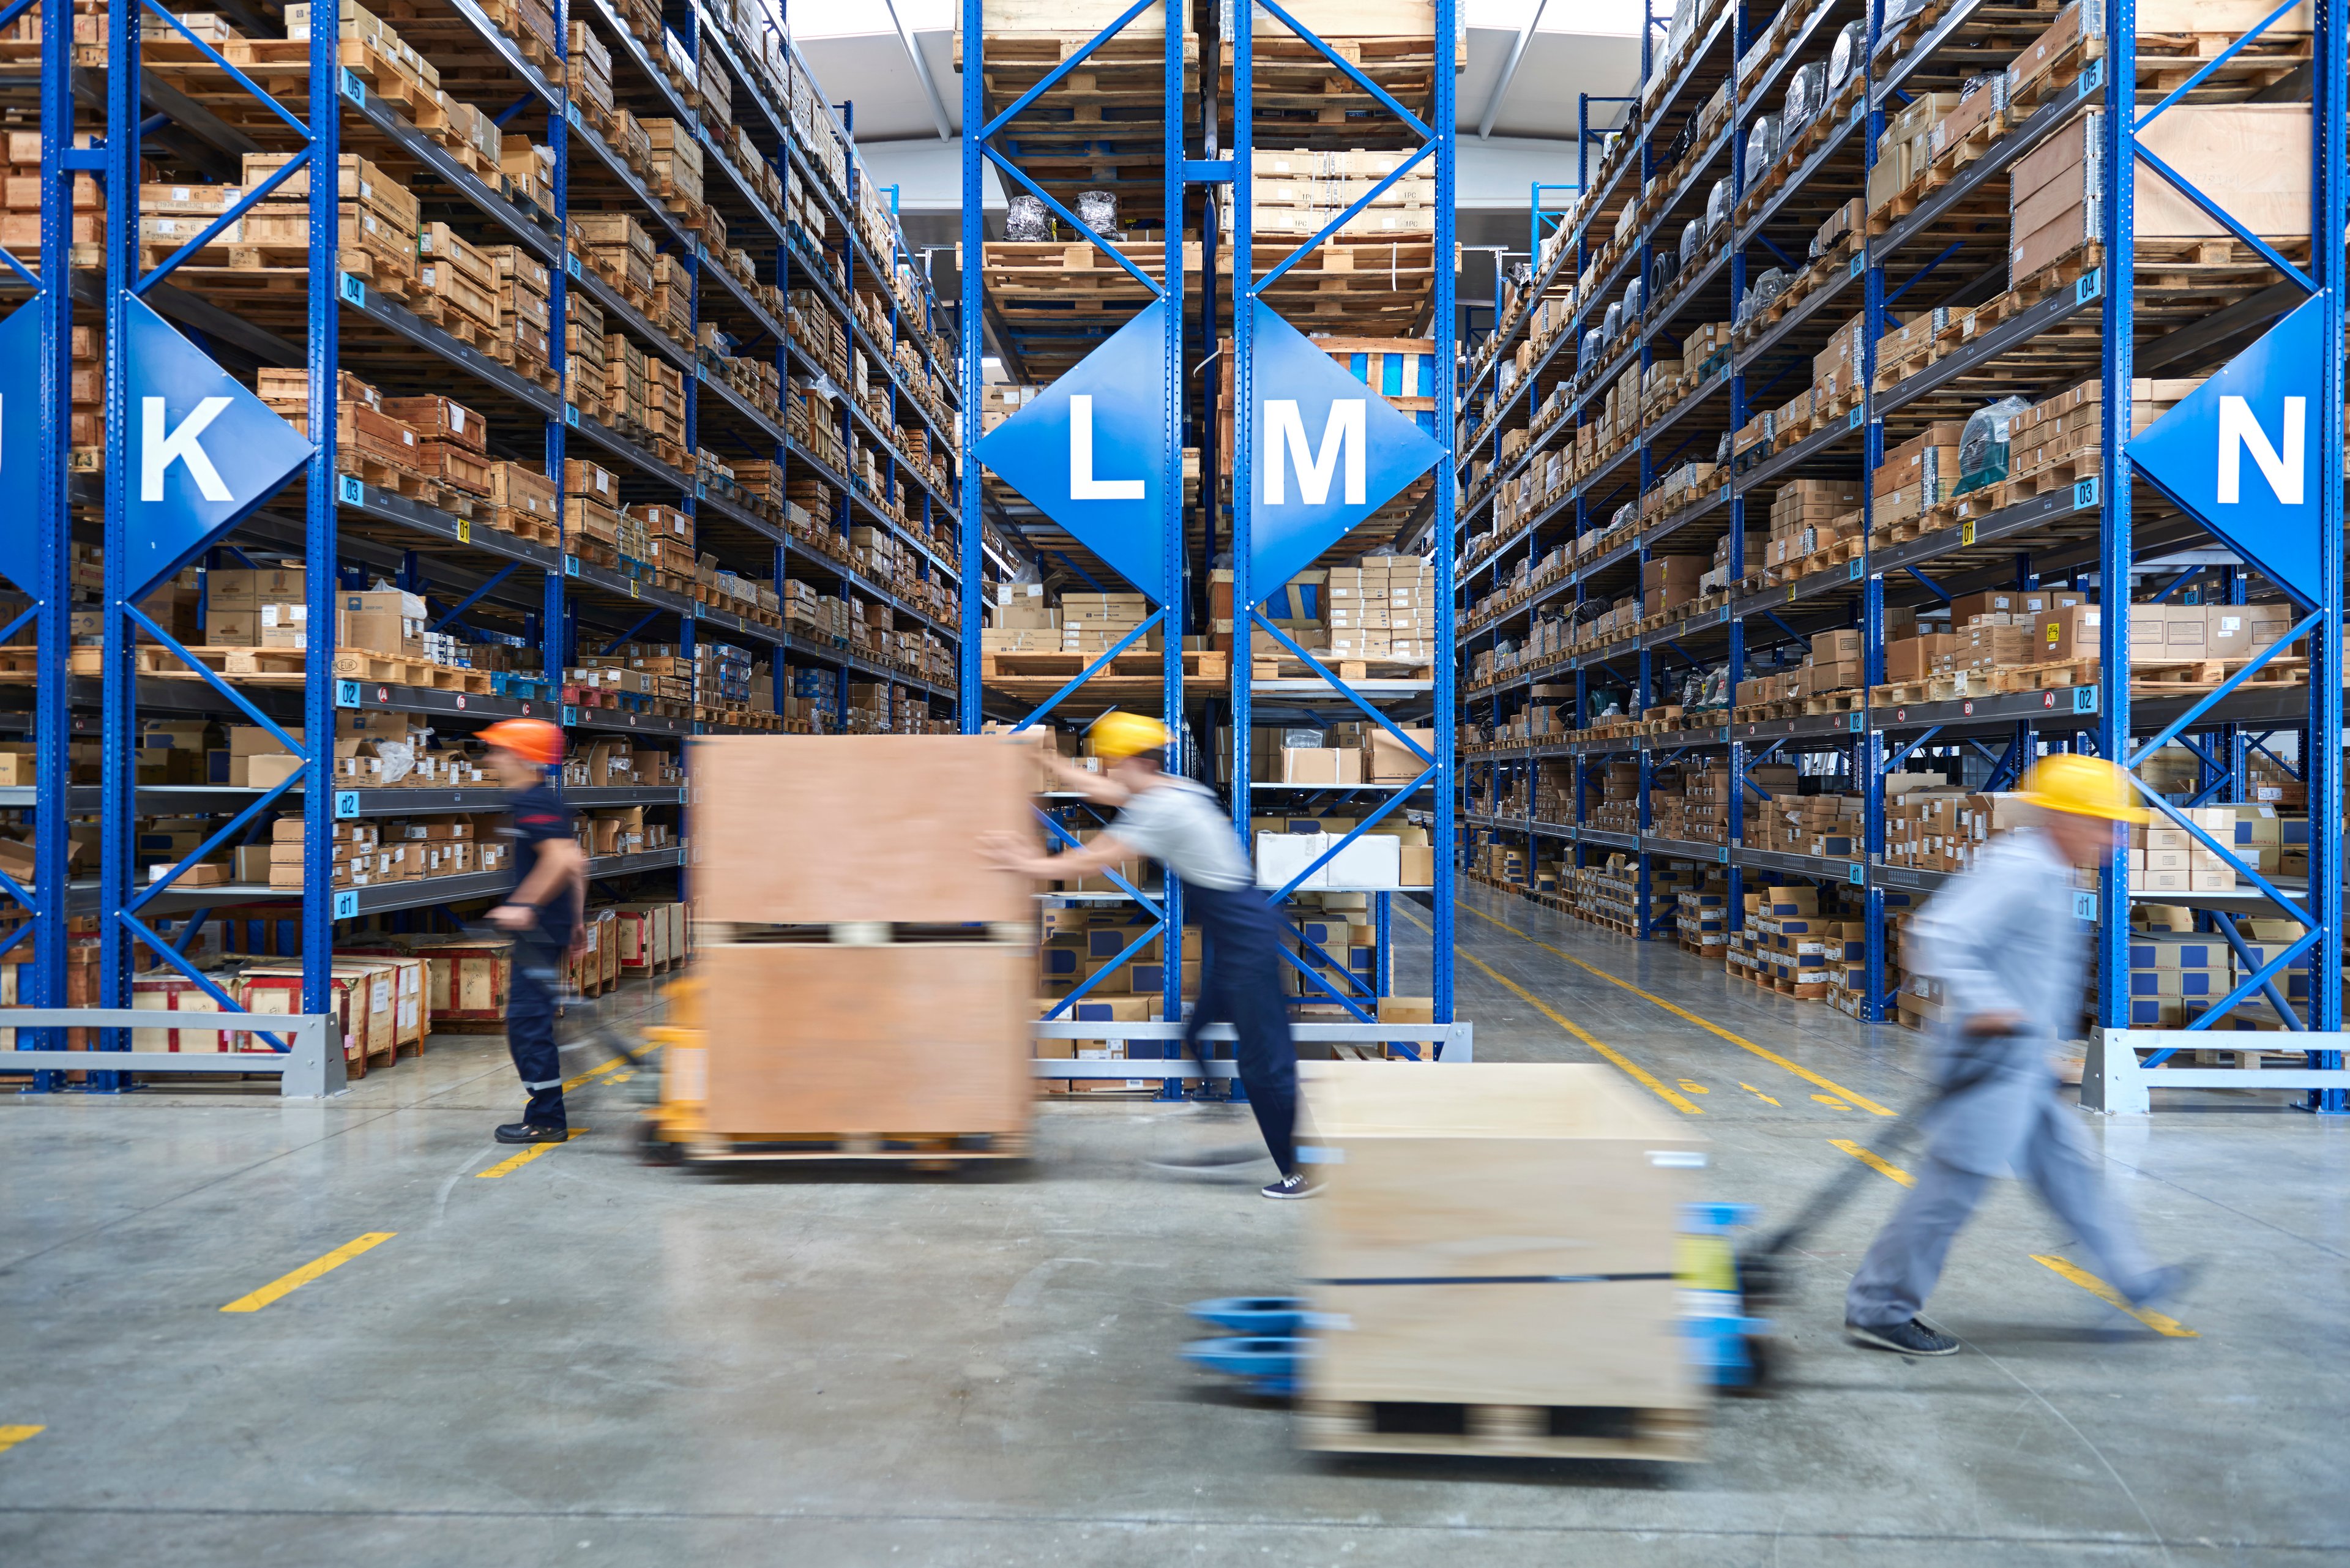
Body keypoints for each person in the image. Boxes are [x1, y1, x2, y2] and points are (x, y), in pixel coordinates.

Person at [1845, 754, 2193, 1355]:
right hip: (1987, 1062)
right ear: (2062, 818)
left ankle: (2134, 1279)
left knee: (2073, 1173)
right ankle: (1879, 1308)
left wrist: (2042, 1047)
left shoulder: (2049, 870)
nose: (2115, 838)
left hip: (2021, 1064)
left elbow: (2029, 970)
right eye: (2103, 824)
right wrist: (1990, 1006)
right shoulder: (2018, 868)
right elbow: (1938, 935)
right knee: (1950, 1189)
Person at [982, 714, 1308, 1199]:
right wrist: (1044, 759)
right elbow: (1105, 793)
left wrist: (1023, 864)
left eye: (1114, 763)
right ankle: (1218, 1109)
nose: (1110, 773)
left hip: (1245, 938)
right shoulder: (1170, 789)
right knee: (1195, 1031)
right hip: (1237, 928)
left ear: (1135, 762)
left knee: (1264, 1064)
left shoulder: (1161, 810)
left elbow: (1092, 859)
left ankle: (1299, 1170)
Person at [477, 718, 588, 1146]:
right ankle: (546, 1111)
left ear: (522, 756)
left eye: (499, 750)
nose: (492, 758)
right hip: (553, 927)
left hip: (539, 932)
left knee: (527, 1024)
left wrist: (524, 905)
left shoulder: (532, 801)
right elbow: (578, 864)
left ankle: (546, 1118)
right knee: (533, 1022)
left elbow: (560, 861)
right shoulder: (546, 800)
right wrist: (577, 921)